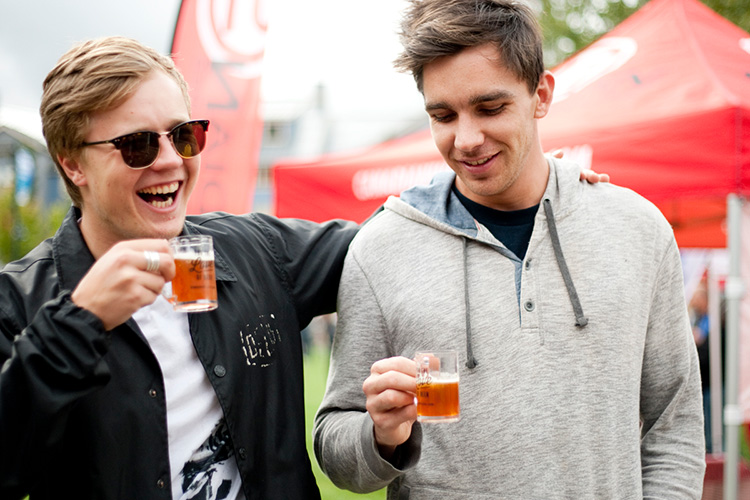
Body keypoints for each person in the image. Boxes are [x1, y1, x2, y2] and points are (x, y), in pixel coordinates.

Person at [313, 0, 706, 498]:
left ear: (540, 94)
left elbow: (675, 423)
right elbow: (335, 447)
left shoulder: (636, 229)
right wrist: (379, 436)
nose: (467, 139)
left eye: (490, 108)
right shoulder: (381, 248)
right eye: (443, 115)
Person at [0, 36, 359, 500]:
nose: (170, 160)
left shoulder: (258, 251)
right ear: (73, 166)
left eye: (183, 135)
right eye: (137, 145)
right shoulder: (17, 303)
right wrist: (79, 321)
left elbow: (384, 247)